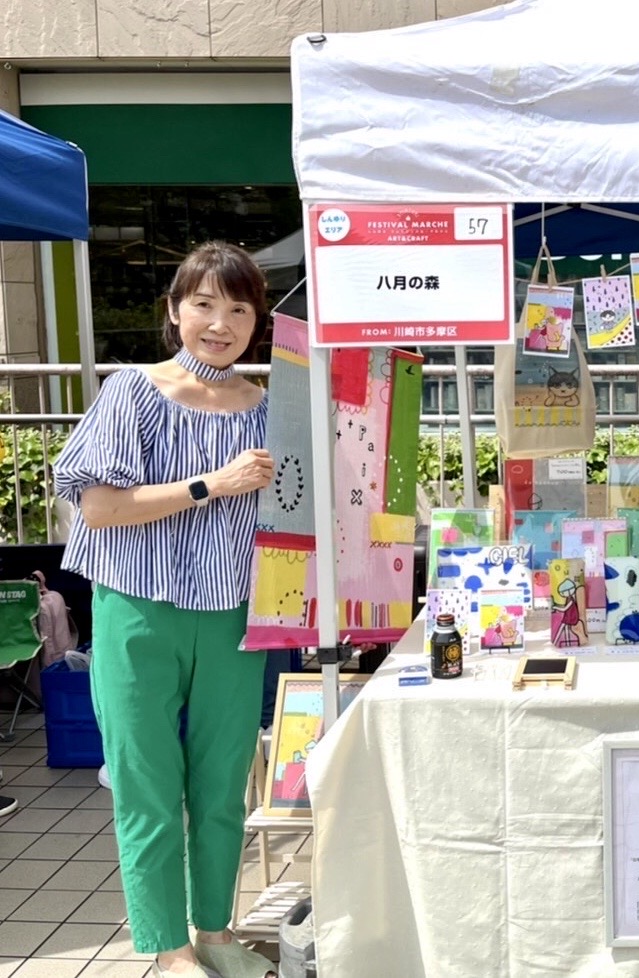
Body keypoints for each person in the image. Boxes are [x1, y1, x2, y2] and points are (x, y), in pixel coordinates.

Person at [53, 242, 277, 978]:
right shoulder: (132, 392)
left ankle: (214, 930)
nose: (220, 323)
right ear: (175, 310)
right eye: (205, 304)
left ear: (257, 321)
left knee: (222, 783)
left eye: (238, 308)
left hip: (235, 615)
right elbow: (99, 506)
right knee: (147, 784)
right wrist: (210, 484)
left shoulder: (271, 408)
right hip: (137, 611)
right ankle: (166, 945)